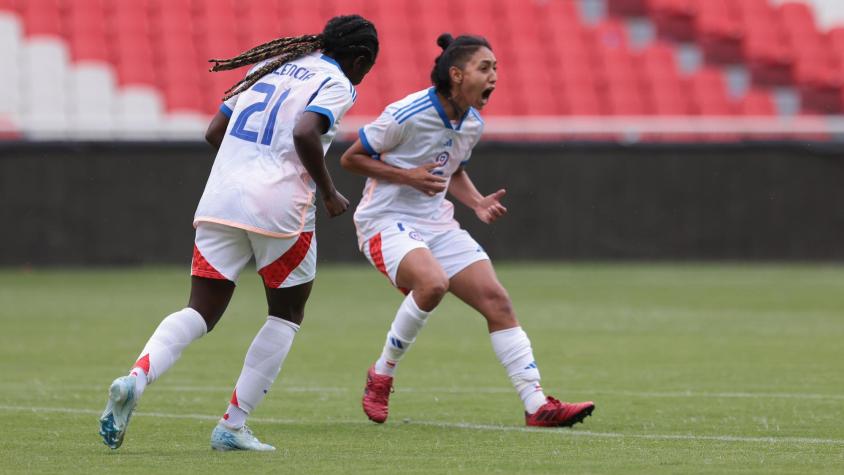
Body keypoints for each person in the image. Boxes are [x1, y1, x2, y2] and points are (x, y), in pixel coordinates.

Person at [98, 15, 379, 451]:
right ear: (360, 60)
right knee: (286, 314)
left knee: (200, 309)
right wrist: (328, 192)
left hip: (221, 198)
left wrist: (245, 166)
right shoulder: (338, 82)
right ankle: (232, 425)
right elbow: (306, 130)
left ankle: (136, 378)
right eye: (367, 67)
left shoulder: (265, 67)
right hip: (282, 209)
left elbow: (214, 131)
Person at [339, 33, 595, 428]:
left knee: (498, 302)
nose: (494, 76)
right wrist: (406, 175)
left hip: (435, 221)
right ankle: (382, 374)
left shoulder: (472, 122)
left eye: (496, 68)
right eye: (485, 67)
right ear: (456, 74)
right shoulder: (408, 112)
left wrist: (475, 202)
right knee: (432, 284)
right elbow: (351, 158)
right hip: (385, 220)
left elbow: (451, 168)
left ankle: (536, 405)